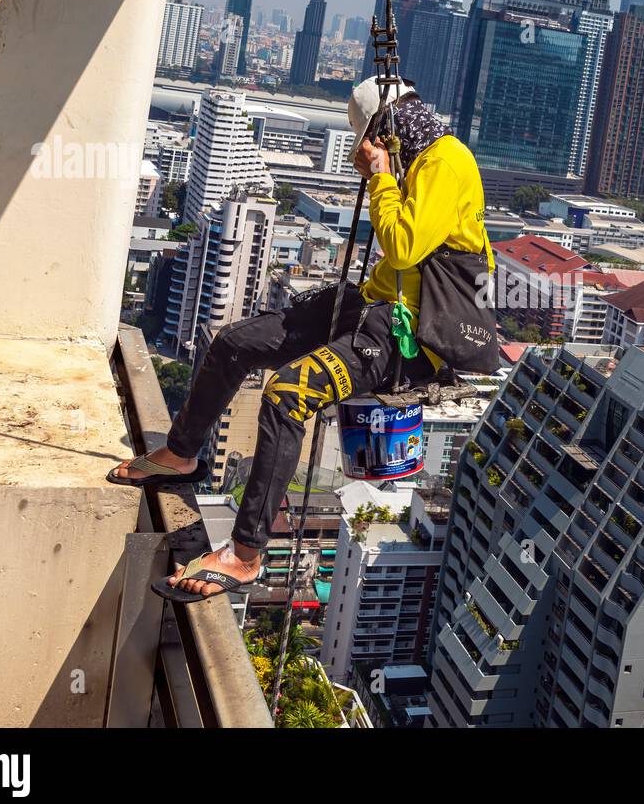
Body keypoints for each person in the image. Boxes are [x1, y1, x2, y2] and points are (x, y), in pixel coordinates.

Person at [108, 79, 493, 601]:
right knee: (234, 343)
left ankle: (245, 555)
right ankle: (182, 453)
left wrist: (379, 178)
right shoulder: (417, 161)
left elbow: (402, 247)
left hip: (406, 338)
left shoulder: (445, 162)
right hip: (373, 308)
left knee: (287, 396)